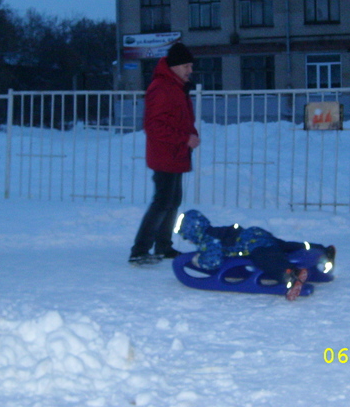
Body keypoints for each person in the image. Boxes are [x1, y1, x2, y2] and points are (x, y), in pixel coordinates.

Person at [129, 42, 200, 265]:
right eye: (186, 66)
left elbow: (181, 119)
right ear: (175, 66)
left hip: (176, 153)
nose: (190, 70)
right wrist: (185, 138)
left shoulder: (176, 86)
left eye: (191, 66)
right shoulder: (161, 87)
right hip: (165, 154)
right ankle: (140, 250)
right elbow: (153, 126)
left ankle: (163, 246)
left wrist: (191, 134)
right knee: (162, 201)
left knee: (172, 200)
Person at [175, 209, 336, 301]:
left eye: (187, 237)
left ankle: (291, 274)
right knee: (284, 246)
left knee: (264, 258)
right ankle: (322, 250)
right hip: (255, 233)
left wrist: (198, 261)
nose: (188, 241)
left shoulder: (208, 240)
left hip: (251, 243)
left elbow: (213, 261)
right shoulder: (215, 231)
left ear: (193, 233)